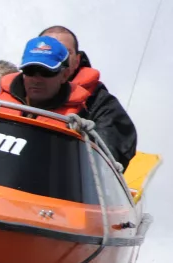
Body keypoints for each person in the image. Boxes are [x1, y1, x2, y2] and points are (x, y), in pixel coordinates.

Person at [38, 25, 137, 169]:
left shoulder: (101, 103)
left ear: (77, 60)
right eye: (48, 50)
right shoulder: (17, 89)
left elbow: (109, 153)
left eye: (65, 52)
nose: (57, 57)